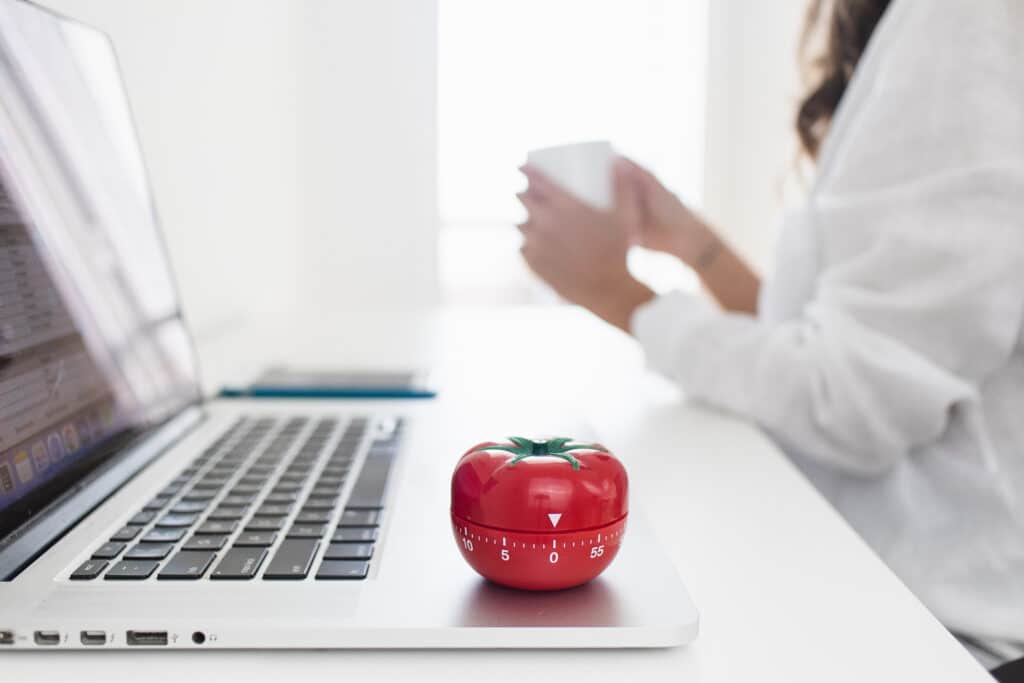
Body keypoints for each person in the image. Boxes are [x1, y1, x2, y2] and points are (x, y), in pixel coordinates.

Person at [516, 0, 1024, 677]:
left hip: (946, 640)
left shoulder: (962, 23)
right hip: (889, 601)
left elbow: (854, 400)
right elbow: (846, 338)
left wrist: (618, 294)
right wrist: (696, 247)